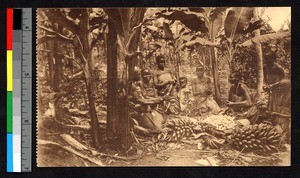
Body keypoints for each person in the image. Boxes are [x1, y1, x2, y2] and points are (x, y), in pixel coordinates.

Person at [130, 68, 164, 133]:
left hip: (146, 108)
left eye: (138, 74)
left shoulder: (138, 84)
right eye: (137, 74)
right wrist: (155, 101)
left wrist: (156, 100)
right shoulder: (133, 85)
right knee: (155, 129)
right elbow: (140, 100)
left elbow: (144, 97)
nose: (138, 75)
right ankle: (136, 127)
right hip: (138, 110)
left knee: (160, 121)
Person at [264, 64, 290, 136]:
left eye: (269, 74)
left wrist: (273, 85)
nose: (267, 77)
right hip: (273, 120)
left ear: (276, 75)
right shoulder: (273, 90)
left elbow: (286, 82)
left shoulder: (285, 84)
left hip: (282, 121)